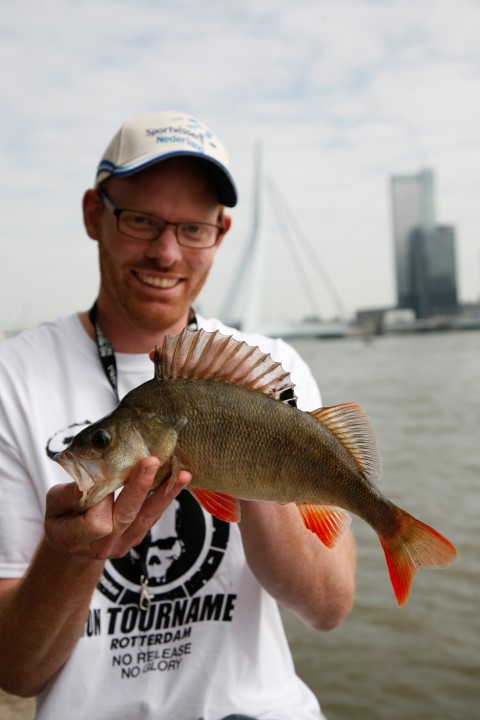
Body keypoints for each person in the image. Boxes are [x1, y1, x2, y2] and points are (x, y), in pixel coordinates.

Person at [0, 111, 356, 720]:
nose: (167, 252)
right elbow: (16, 671)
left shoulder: (274, 368)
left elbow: (328, 608)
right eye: (141, 220)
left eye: (193, 228)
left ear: (222, 232)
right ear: (94, 214)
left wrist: (244, 451)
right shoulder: (12, 380)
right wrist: (72, 556)